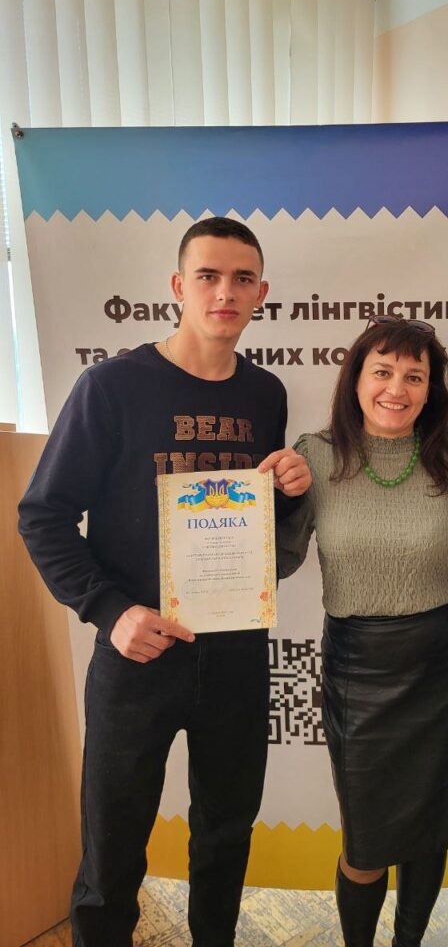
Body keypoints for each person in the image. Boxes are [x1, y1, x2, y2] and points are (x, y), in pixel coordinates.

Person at [18, 216, 311, 947]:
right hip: (137, 656)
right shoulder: (111, 387)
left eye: (242, 278)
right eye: (208, 276)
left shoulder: (265, 394)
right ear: (179, 286)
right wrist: (110, 611)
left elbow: (256, 530)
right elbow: (43, 515)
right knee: (112, 848)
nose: (225, 292)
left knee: (226, 834)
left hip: (236, 654)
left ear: (262, 293)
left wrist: (290, 494)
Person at [279, 317, 448, 947]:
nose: (396, 389)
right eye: (382, 372)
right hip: (360, 669)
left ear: (432, 390)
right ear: (355, 380)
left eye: (414, 377)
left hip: (447, 663)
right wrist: (274, 501)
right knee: (367, 843)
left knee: (431, 831)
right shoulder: (314, 454)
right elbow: (281, 561)